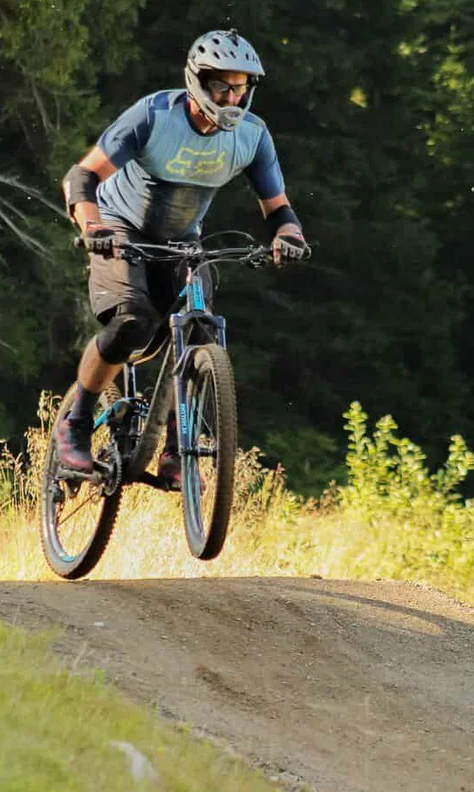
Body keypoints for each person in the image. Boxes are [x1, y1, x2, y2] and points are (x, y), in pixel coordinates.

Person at [56, 27, 308, 478]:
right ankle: (74, 426)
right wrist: (92, 226)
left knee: (200, 327)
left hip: (181, 240)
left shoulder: (252, 136)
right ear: (197, 81)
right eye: (221, 87)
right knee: (132, 322)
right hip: (120, 226)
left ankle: (177, 442)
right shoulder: (155, 115)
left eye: (241, 87)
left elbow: (278, 208)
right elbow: (81, 176)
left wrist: (289, 235)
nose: (232, 98)